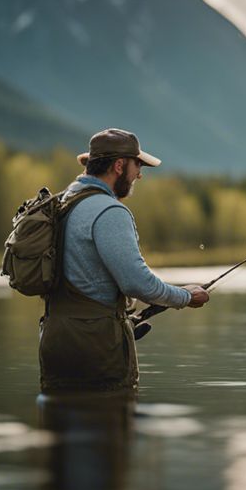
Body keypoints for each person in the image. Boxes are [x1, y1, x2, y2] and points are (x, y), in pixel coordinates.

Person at [39, 128, 209, 391]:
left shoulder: (63, 202)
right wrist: (185, 296)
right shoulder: (110, 211)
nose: (139, 174)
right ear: (119, 166)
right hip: (95, 348)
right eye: (137, 165)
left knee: (60, 425)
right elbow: (137, 283)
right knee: (110, 427)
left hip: (54, 341)